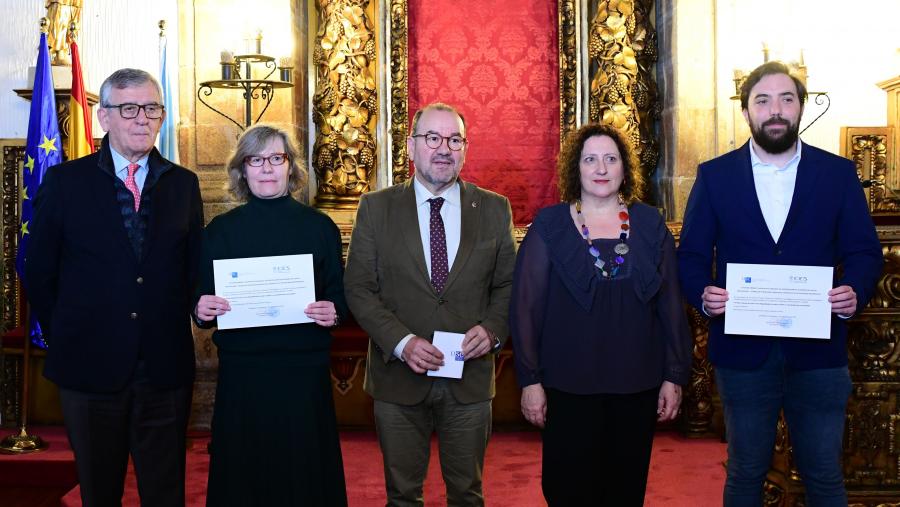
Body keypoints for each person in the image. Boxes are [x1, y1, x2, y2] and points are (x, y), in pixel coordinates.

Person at [678, 61, 883, 506]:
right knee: (745, 472)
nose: (775, 110)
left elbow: (865, 252)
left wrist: (855, 292)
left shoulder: (838, 174)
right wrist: (704, 294)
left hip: (819, 352)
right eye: (763, 100)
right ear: (747, 112)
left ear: (800, 108)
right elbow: (691, 255)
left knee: (825, 475)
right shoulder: (715, 176)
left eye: (786, 99)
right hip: (743, 354)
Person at [24, 68, 203, 506]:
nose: (142, 118)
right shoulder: (65, 183)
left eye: (152, 108)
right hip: (88, 368)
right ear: (103, 117)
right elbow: (37, 270)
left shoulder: (183, 184)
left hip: (163, 369)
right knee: (99, 492)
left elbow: (193, 267)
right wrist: (68, 331)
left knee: (165, 493)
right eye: (129, 108)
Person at [343, 102, 517, 506]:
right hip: (398, 379)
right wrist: (402, 343)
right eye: (432, 138)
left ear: (465, 148)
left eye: (454, 139)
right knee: (402, 497)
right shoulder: (376, 207)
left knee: (468, 495)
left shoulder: (494, 208)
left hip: (469, 379)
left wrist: (492, 330)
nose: (443, 148)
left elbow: (509, 285)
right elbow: (359, 288)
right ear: (411, 146)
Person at [510, 123, 692, 506]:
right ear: (575, 168)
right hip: (568, 389)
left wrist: (674, 376)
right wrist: (530, 380)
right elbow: (526, 307)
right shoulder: (550, 225)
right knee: (568, 491)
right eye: (590, 159)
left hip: (636, 387)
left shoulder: (649, 224)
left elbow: (671, 304)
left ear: (625, 168)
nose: (601, 168)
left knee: (624, 493)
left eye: (611, 159)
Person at [194, 124, 348, 506]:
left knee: (305, 470)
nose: (267, 168)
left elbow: (339, 296)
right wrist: (201, 309)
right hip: (244, 372)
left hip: (302, 370)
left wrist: (333, 311)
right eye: (256, 160)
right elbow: (201, 301)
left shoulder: (320, 227)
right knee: (245, 473)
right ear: (242, 170)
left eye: (276, 158)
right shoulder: (220, 231)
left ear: (290, 167)